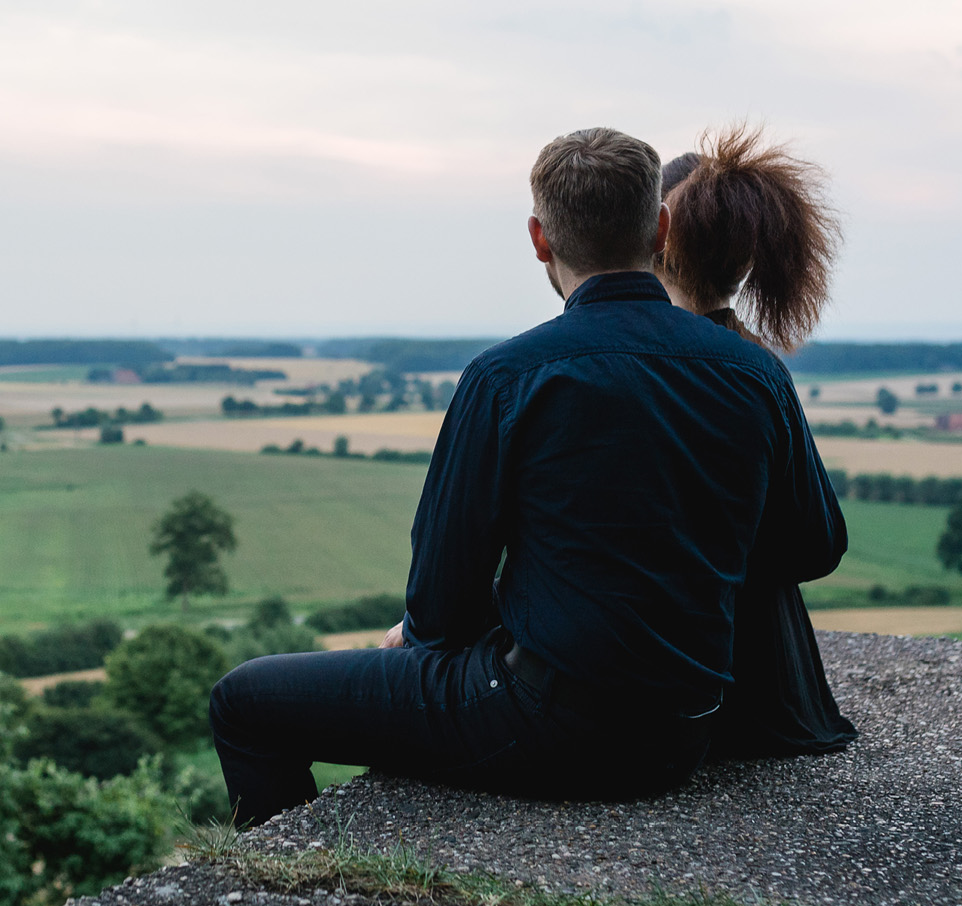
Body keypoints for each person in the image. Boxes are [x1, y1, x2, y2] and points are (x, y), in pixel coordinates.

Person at [209, 126, 846, 827]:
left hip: (553, 729)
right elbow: (815, 546)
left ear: (540, 239)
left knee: (245, 703)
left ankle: (300, 898)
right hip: (689, 729)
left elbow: (441, 605)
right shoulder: (754, 371)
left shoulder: (507, 376)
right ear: (658, 226)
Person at [654, 125, 856, 758]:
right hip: (772, 686)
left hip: (676, 682)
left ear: (654, 239)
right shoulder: (756, 367)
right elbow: (819, 543)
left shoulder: (643, 366)